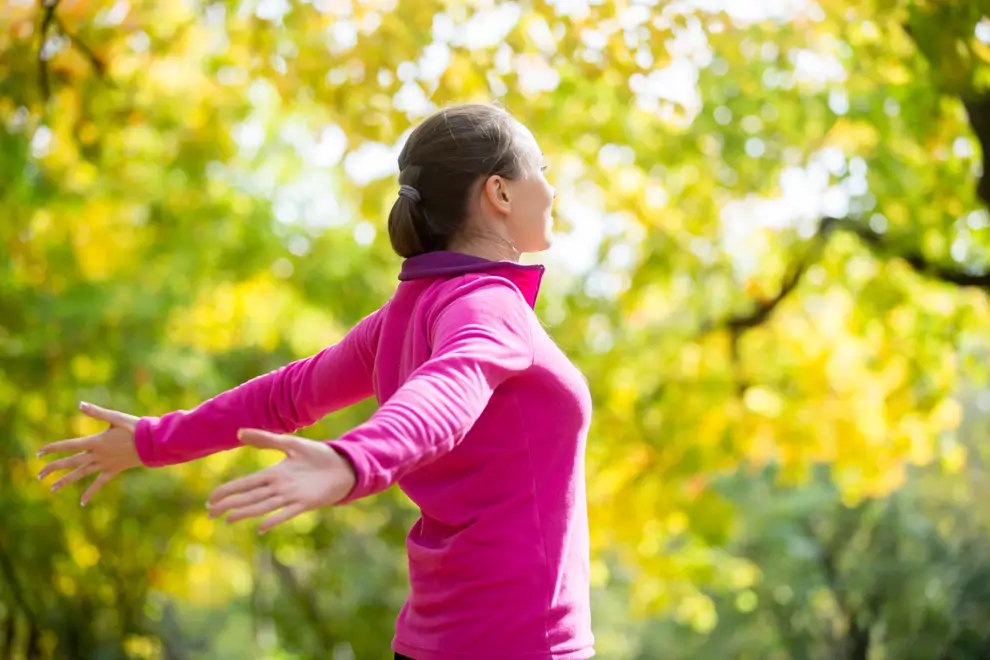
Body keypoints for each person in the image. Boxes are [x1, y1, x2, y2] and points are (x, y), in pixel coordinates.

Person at [37, 103, 595, 660]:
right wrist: (354, 460)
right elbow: (449, 388)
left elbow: (285, 396)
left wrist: (153, 440)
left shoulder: (411, 311)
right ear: (499, 192)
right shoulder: (488, 303)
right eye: (540, 170)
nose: (550, 189)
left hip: (431, 642)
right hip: (521, 644)